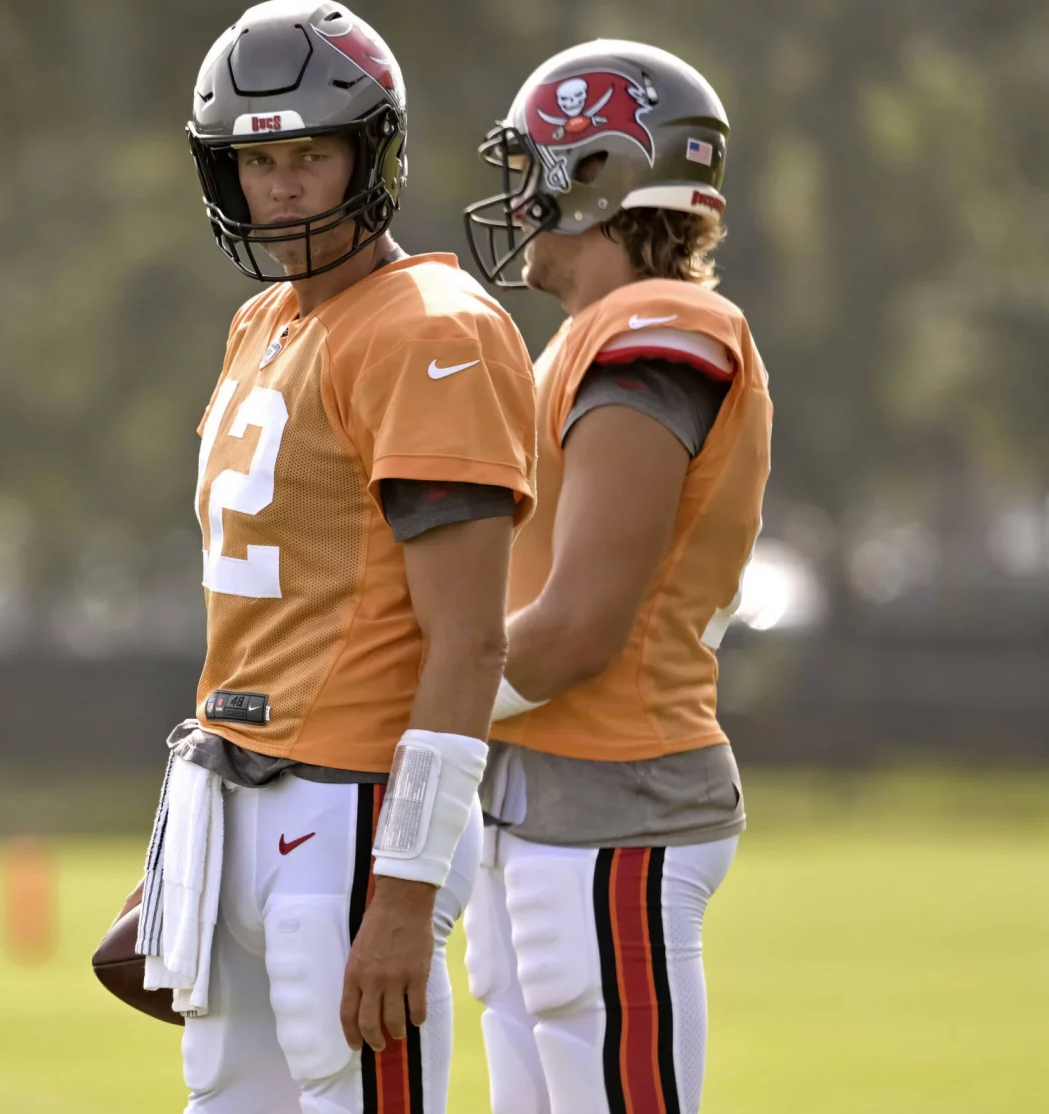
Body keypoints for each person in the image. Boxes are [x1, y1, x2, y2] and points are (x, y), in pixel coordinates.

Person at [133, 3, 537, 1111]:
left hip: (356, 808)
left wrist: (406, 893)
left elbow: (469, 638)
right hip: (235, 793)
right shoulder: (261, 322)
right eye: (260, 159)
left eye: (312, 151)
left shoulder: (430, 327)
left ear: (377, 149)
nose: (286, 185)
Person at [459, 40, 773, 1114]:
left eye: (530, 165)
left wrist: (423, 711)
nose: (513, 196)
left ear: (595, 175)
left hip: (613, 797)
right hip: (548, 800)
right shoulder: (586, 338)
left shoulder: (659, 325)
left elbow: (581, 624)